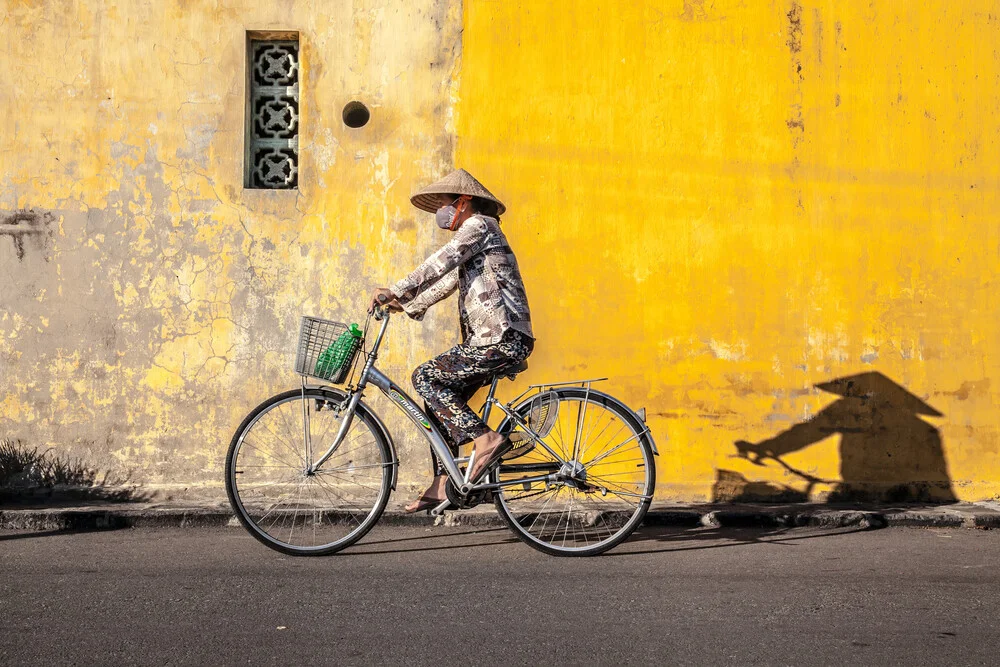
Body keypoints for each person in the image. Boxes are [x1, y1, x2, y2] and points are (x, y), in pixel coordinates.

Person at [368, 168, 535, 513]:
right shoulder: (477, 238)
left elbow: (440, 263)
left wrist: (395, 289)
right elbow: (449, 283)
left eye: (444, 203)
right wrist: (408, 304)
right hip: (490, 340)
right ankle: (446, 480)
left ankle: (486, 440)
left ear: (464, 202)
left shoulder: (481, 226)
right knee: (440, 400)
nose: (440, 212)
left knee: (425, 377)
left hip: (500, 338)